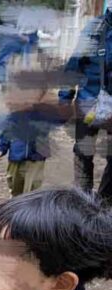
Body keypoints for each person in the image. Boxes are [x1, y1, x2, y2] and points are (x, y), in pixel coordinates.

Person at [59, 7, 112, 200]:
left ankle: (102, 202)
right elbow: (74, 66)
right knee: (83, 151)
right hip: (88, 102)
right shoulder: (94, 29)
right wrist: (64, 98)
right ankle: (82, 200)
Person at [0, 81, 59, 196]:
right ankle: (15, 207)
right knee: (15, 186)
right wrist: (1, 148)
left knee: (33, 188)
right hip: (16, 155)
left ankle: (29, 210)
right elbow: (7, 132)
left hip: (36, 156)